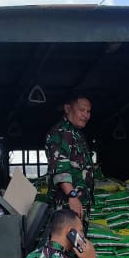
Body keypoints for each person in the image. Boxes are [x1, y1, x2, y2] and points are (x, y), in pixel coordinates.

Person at [45, 94, 95, 227]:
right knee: (67, 243)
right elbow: (60, 169)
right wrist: (72, 196)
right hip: (67, 205)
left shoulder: (76, 134)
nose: (86, 115)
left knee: (77, 245)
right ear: (68, 109)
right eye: (81, 110)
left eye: (88, 111)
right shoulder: (61, 132)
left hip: (77, 203)